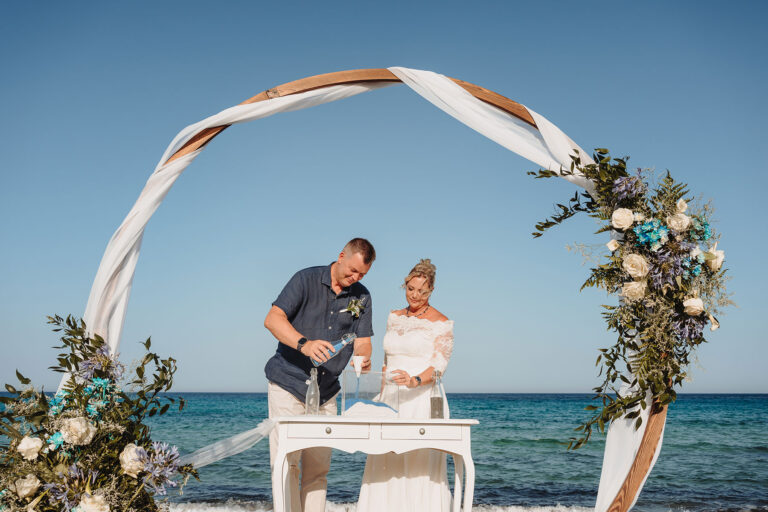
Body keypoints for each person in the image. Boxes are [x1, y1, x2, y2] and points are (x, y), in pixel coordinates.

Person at [264, 238, 375, 512]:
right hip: (287, 383)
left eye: (361, 274)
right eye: (351, 270)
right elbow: (273, 319)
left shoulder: (362, 296)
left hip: (327, 392)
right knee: (286, 464)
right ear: (340, 256)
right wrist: (305, 344)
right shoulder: (305, 279)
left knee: (318, 470)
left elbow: (362, 341)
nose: (355, 278)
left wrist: (364, 357)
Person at [357, 259, 454, 512]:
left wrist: (415, 380)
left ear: (431, 290)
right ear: (405, 286)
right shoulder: (394, 317)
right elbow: (387, 361)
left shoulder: (442, 323)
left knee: (418, 465)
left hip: (421, 399)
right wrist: (376, 399)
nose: (415, 295)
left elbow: (439, 365)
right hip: (390, 397)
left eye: (422, 291)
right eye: (411, 289)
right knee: (385, 461)